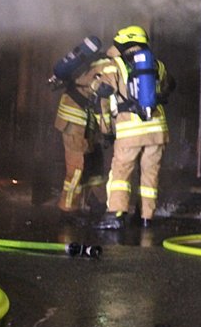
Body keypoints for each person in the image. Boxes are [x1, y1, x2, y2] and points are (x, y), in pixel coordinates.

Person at [92, 25, 175, 229]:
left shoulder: (115, 65)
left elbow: (100, 89)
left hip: (130, 131)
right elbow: (170, 85)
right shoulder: (157, 65)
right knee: (150, 175)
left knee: (121, 173)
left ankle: (116, 215)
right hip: (157, 131)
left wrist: (106, 128)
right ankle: (147, 216)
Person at [50, 45, 114, 220]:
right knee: (76, 168)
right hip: (74, 122)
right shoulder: (109, 68)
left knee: (94, 162)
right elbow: (103, 103)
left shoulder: (99, 62)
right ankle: (67, 209)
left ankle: (95, 201)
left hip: (84, 121)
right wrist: (107, 131)